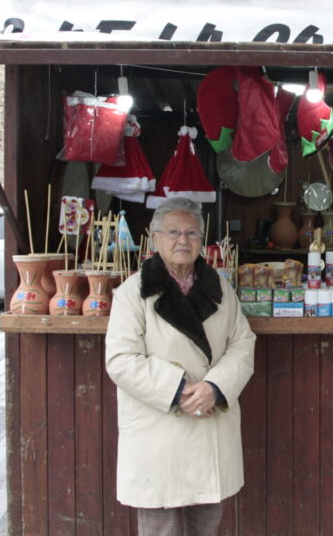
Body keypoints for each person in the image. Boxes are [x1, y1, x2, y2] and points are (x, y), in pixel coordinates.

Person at [106, 198, 256, 536]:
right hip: (160, 428)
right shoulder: (133, 293)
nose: (183, 240)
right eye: (173, 232)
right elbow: (120, 360)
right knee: (161, 526)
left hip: (209, 425)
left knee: (206, 523)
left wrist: (214, 387)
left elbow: (243, 344)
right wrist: (179, 391)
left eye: (191, 232)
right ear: (155, 238)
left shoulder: (220, 289)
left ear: (202, 240)